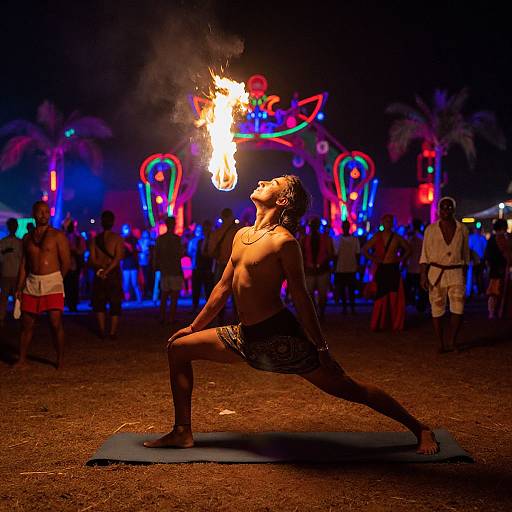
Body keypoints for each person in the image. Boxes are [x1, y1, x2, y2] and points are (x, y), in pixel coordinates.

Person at [144, 175, 438, 455]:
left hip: (281, 338)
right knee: (178, 349)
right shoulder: (241, 235)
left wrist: (322, 348)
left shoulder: (284, 242)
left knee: (349, 388)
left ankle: (419, 427)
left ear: (283, 199)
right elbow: (222, 289)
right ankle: (182, 432)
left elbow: (301, 297)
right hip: (245, 337)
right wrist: (193, 327)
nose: (261, 182)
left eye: (271, 183)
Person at [15, 201, 71, 369]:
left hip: (53, 282)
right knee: (27, 324)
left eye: (47, 211)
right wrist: (19, 287)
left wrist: (58, 280)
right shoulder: (27, 238)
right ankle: (22, 359)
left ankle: (60, 360)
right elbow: (24, 264)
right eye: (40, 212)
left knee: (55, 323)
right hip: (32, 282)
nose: (44, 214)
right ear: (34, 213)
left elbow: (66, 262)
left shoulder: (57, 236)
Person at [420, 197, 470, 353]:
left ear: (454, 210)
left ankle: (452, 341)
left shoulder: (463, 229)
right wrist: (423, 275)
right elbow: (425, 255)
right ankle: (440, 342)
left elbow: (465, 255)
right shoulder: (430, 230)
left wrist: (464, 275)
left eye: (449, 208)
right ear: (439, 210)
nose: (446, 210)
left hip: (456, 272)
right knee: (437, 308)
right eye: (443, 207)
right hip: (436, 273)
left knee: (458, 308)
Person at [362, 215, 410, 331]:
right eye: (386, 221)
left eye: (390, 221)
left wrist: (400, 259)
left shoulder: (397, 237)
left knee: (394, 297)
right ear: (382, 223)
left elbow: (409, 249)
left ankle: (394, 324)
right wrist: (374, 259)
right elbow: (364, 249)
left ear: (392, 223)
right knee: (380, 297)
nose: (388, 223)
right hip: (382, 268)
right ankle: (379, 324)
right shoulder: (377, 237)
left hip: (393, 268)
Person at [89, 210, 124, 339]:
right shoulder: (117, 239)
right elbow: (118, 257)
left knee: (100, 304)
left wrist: (101, 271)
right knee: (115, 304)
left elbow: (92, 259)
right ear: (113, 222)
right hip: (113, 274)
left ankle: (102, 331)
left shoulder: (94, 240)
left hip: (99, 274)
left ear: (101, 222)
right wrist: (108, 271)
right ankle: (112, 332)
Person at [207, 208, 239, 322]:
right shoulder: (238, 232)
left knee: (220, 295)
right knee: (237, 294)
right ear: (231, 216)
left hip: (221, 266)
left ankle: (220, 320)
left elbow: (211, 252)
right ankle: (238, 319)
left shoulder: (216, 233)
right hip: (236, 266)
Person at [300, 217, 335, 320]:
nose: (313, 228)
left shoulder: (325, 238)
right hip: (313, 270)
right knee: (312, 295)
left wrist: (320, 263)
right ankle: (316, 313)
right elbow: (301, 254)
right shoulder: (305, 239)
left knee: (321, 295)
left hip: (321, 270)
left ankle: (320, 314)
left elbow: (330, 254)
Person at [155, 217, 184, 325]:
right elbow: (180, 253)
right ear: (174, 225)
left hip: (165, 270)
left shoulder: (160, 239)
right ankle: (171, 318)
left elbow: (156, 255)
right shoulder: (177, 239)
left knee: (164, 295)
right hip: (175, 270)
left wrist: (157, 267)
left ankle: (162, 317)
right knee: (174, 297)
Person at [484, 219, 512, 319]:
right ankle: (494, 312)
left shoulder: (499, 238)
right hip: (498, 270)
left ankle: (495, 312)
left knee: (495, 293)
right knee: (494, 292)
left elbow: (487, 256)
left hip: (500, 270)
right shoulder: (498, 239)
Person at [0, 218, 23, 327]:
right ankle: (18, 318)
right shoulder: (19, 243)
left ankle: (1, 319)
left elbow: (0, 260)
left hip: (6, 273)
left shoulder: (3, 242)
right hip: (16, 274)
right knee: (17, 298)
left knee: (4, 298)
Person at [333, 220, 360, 314]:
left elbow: (336, 255)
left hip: (343, 267)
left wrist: (334, 267)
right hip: (347, 267)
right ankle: (349, 308)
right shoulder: (354, 239)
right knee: (348, 289)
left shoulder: (338, 239)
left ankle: (348, 308)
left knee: (347, 289)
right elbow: (357, 254)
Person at [188, 221, 214, 313]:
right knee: (197, 290)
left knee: (207, 290)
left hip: (206, 269)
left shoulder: (211, 240)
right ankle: (196, 307)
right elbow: (192, 253)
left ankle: (206, 310)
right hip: (199, 268)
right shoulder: (198, 241)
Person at [405, 219, 428, 313]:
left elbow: (407, 252)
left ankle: (412, 303)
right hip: (421, 267)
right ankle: (421, 306)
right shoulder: (422, 238)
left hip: (411, 267)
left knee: (410, 287)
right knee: (421, 289)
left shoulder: (410, 239)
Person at [63, 220, 86, 312]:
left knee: (73, 285)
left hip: (74, 265)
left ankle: (72, 304)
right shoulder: (65, 237)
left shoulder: (77, 238)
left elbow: (81, 250)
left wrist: (74, 251)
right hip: (68, 265)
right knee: (69, 285)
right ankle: (70, 304)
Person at [121, 224, 142, 302]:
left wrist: (125, 243)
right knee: (126, 284)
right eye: (124, 228)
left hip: (133, 263)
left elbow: (134, 249)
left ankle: (139, 299)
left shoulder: (133, 239)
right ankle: (127, 299)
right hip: (125, 264)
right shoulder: (121, 239)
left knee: (134, 282)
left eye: (127, 228)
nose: (126, 230)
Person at [468, 226, 487, 297]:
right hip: (481, 260)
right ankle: (481, 291)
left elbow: (469, 248)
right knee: (480, 276)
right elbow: (485, 249)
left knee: (476, 276)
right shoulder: (482, 238)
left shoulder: (471, 238)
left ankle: (476, 291)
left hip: (475, 261)